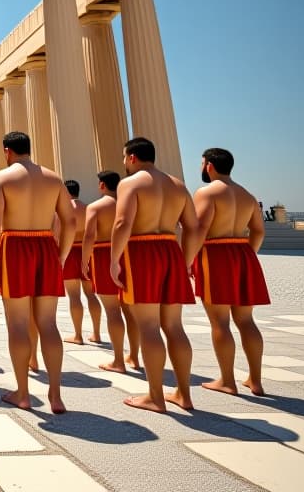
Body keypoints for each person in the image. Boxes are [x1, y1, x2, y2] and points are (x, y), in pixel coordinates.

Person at [109, 137, 201, 413]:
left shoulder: (130, 183)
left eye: (125, 158)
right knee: (174, 327)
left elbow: (123, 222)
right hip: (170, 249)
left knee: (148, 326)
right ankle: (184, 394)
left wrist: (114, 259)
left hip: (141, 252)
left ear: (133, 157)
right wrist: (186, 260)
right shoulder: (178, 185)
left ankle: (156, 396)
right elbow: (194, 228)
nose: (124, 163)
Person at [0, 132, 73, 413]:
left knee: (18, 324)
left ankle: (22, 393)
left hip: (14, 246)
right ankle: (56, 395)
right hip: (46, 245)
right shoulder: (54, 178)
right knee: (48, 323)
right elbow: (69, 220)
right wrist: (61, 254)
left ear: (7, 151)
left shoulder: (1, 178)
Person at [193, 148, 270, 396]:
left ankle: (227, 380)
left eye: (202, 163)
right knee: (246, 320)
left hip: (216, 255)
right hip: (243, 254)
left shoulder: (206, 192)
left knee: (220, 322)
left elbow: (200, 229)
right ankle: (255, 380)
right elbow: (258, 231)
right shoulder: (247, 195)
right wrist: (248, 253)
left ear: (210, 166)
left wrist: (187, 260)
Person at [81, 170, 140, 373]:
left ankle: (118, 360)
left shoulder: (95, 207)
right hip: (128, 254)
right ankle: (133, 355)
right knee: (130, 311)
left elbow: (89, 236)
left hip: (103, 254)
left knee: (112, 311)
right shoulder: (128, 203)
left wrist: (84, 260)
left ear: (102, 185)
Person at [59, 180, 102, 345]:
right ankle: (96, 333)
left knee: (74, 296)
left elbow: (57, 233)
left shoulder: (63, 210)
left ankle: (78, 335)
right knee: (91, 294)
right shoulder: (88, 208)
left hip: (69, 252)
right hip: (87, 252)